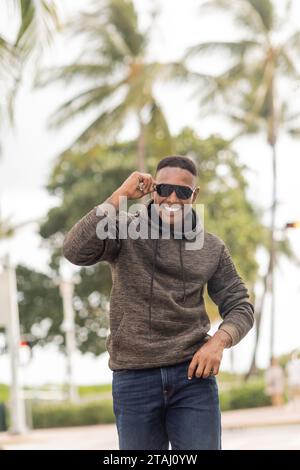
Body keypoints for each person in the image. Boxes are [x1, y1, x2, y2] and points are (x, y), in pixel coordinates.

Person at [63, 155, 255, 450]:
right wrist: (120, 196)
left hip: (193, 376)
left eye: (183, 192)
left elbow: (240, 304)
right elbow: (75, 250)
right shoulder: (124, 230)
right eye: (165, 189)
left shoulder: (212, 247)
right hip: (134, 376)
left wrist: (219, 342)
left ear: (195, 195)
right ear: (154, 190)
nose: (173, 199)